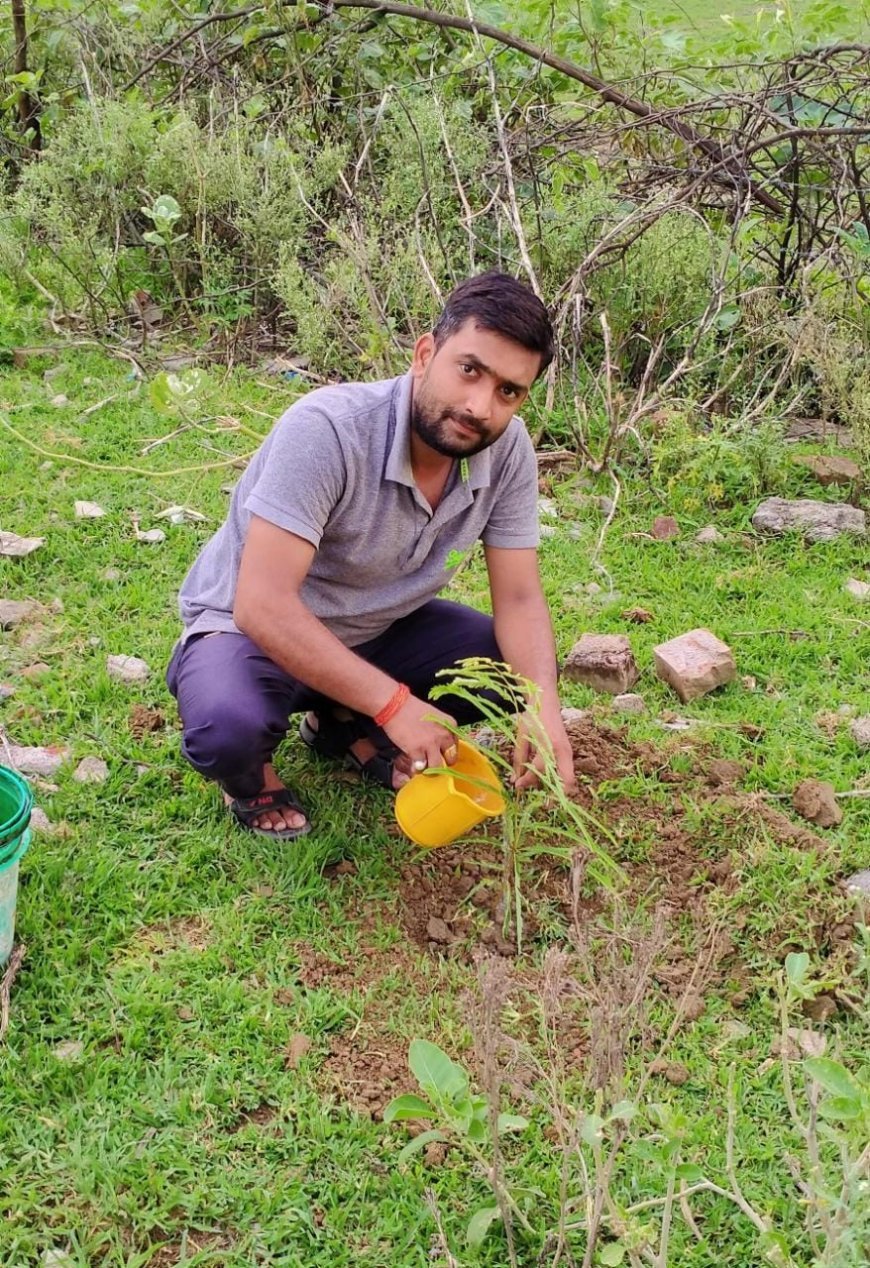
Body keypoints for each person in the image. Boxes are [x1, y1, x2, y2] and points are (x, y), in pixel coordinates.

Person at [166, 271, 576, 840]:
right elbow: (259, 605)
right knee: (226, 728)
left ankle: (338, 722)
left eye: (508, 390)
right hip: (251, 634)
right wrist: (394, 706)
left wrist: (544, 707)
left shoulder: (508, 451)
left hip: (377, 630)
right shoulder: (328, 430)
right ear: (425, 353)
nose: (481, 405)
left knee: (513, 673)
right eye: (469, 370)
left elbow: (520, 597)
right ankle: (253, 778)